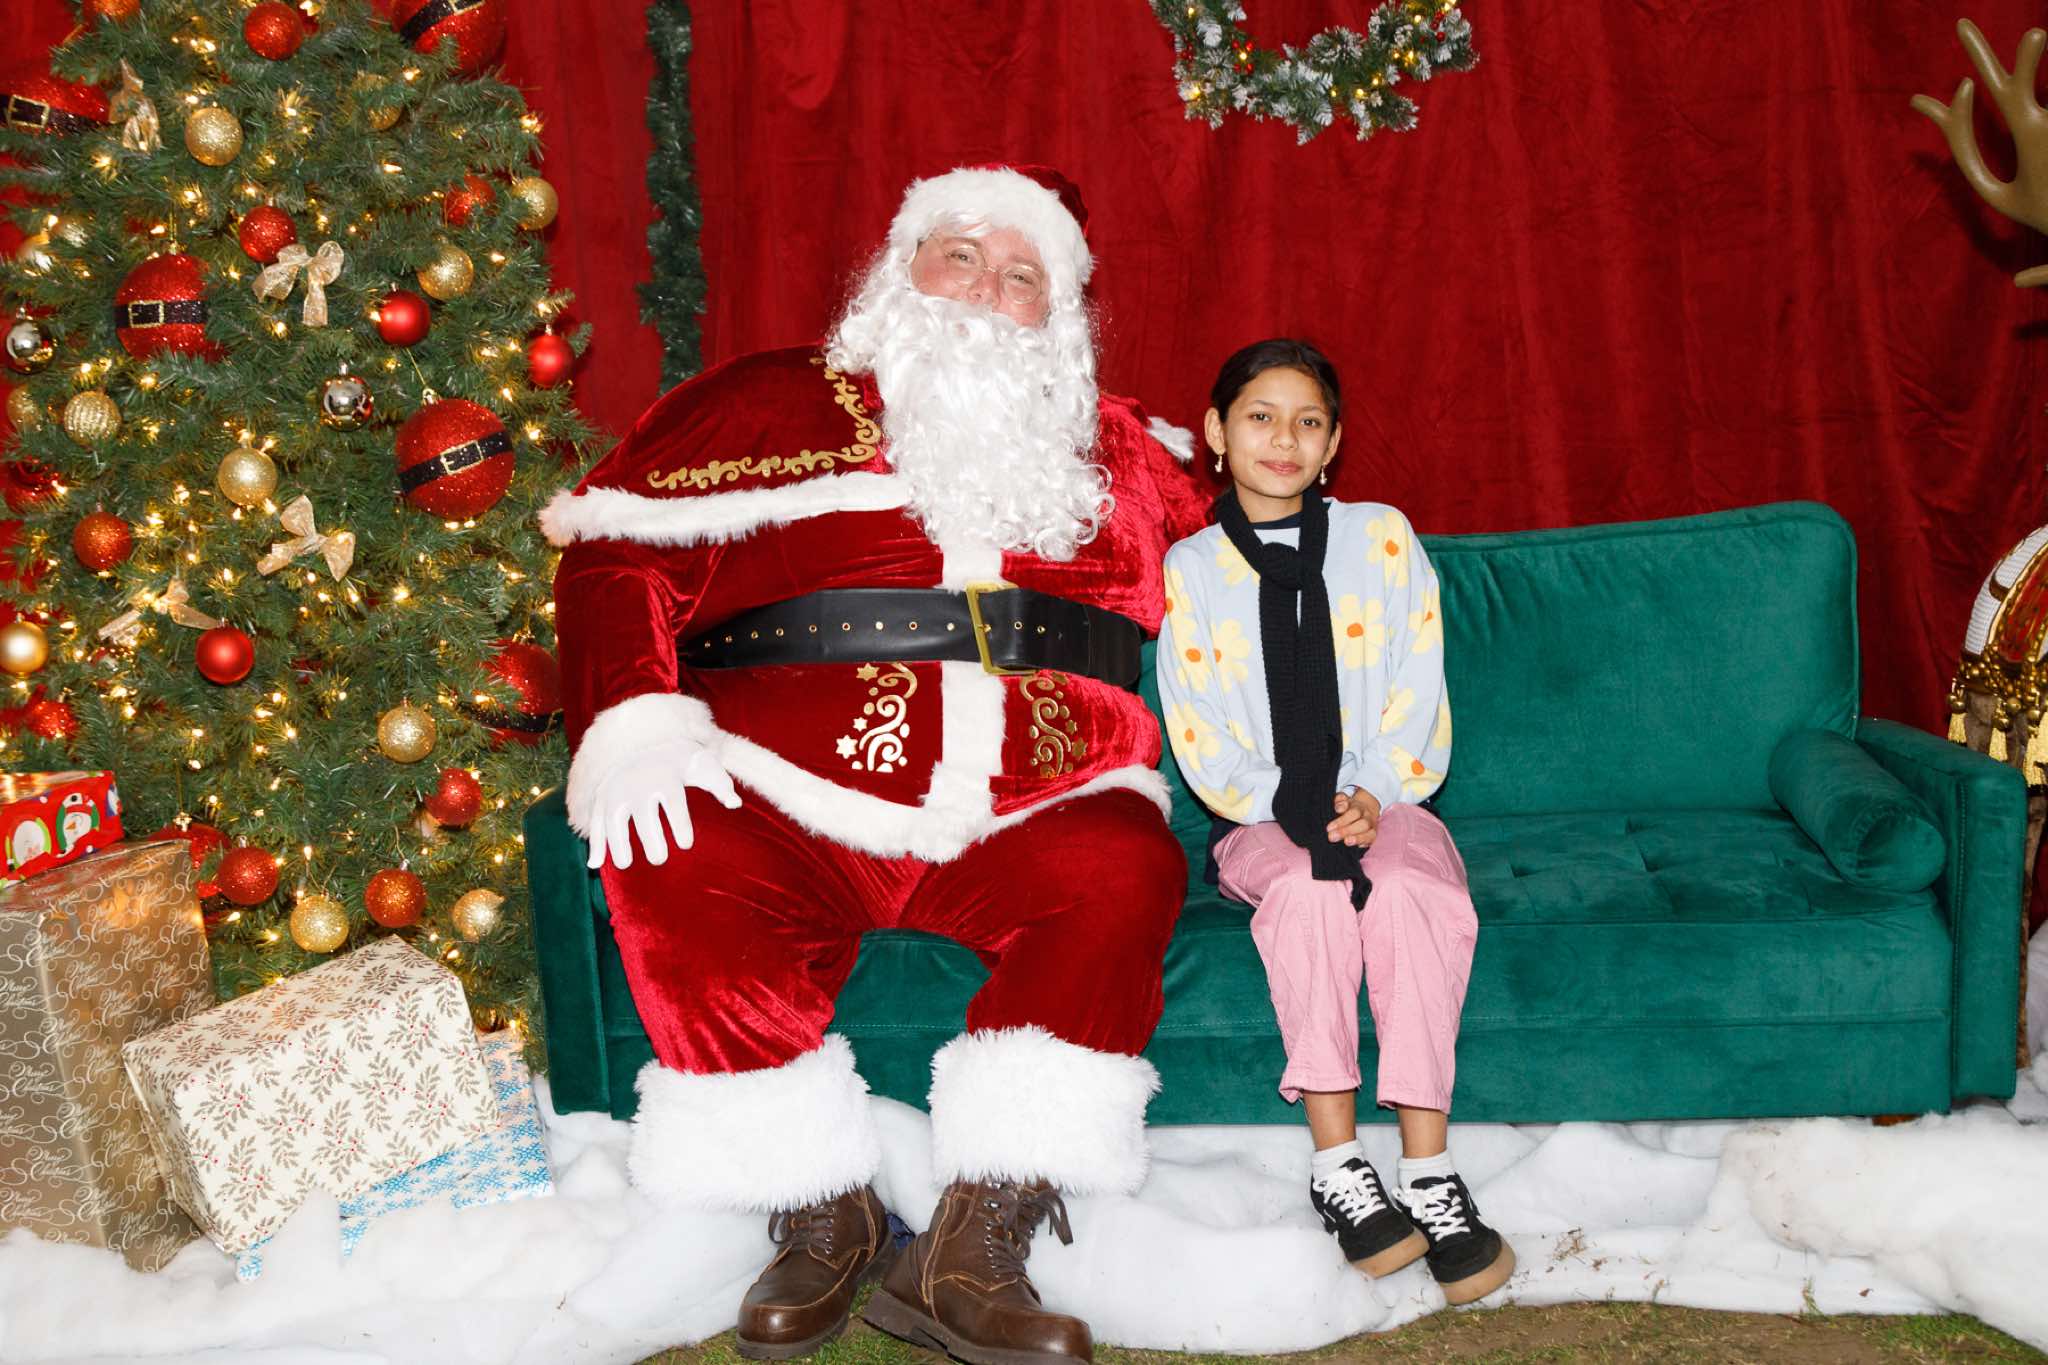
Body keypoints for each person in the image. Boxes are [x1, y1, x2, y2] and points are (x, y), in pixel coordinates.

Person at [545, 165, 1213, 1363]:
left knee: (1125, 867)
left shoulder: (1120, 450)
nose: (987, 287)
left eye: (1023, 275)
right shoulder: (763, 401)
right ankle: (821, 1205)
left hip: (1039, 804)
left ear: (1058, 312)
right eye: (961, 254)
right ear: (900, 266)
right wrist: (633, 720)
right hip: (783, 794)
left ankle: (975, 1240)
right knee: (671, 847)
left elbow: (1258, 549)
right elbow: (611, 556)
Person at [1156, 338, 1514, 1307]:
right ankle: (1338, 1165)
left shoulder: (1380, 538)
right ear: (1215, 433)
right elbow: (1199, 730)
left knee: (1408, 889)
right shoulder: (1192, 569)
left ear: (1333, 443)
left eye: (1307, 421)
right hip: (1260, 811)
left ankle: (1429, 1172)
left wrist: (1374, 791)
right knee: (1312, 893)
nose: (1284, 438)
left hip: (1385, 796)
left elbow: (1417, 683)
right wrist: (1297, 804)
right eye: (1259, 417)